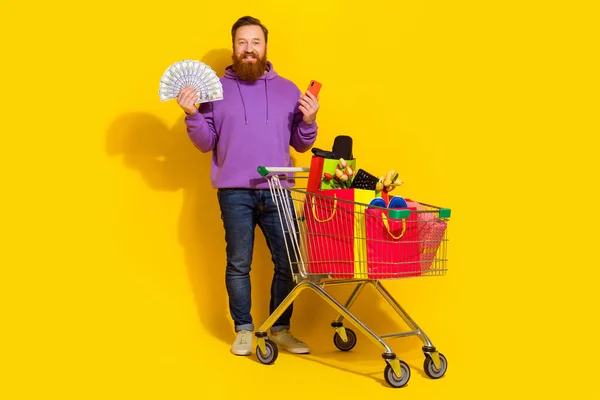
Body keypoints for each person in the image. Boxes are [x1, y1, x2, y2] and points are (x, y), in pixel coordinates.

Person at [176, 16, 320, 356]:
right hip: (234, 191)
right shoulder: (213, 91)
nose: (249, 49)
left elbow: (301, 143)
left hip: (278, 190)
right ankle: (243, 330)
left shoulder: (288, 90)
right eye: (242, 43)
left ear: (266, 47)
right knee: (239, 263)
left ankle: (280, 328)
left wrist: (311, 120)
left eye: (255, 42)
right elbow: (204, 141)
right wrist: (193, 115)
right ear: (234, 48)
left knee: (288, 261)